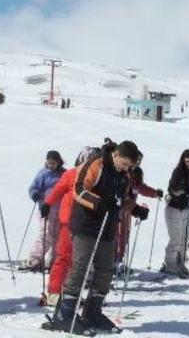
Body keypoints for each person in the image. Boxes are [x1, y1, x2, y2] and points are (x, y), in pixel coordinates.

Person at [49, 139, 145, 334]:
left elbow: (121, 199)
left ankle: (92, 312)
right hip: (86, 224)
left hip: (108, 227)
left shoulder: (124, 175)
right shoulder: (96, 163)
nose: (126, 168)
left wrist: (134, 209)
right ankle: (64, 313)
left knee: (105, 270)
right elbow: (78, 189)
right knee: (80, 268)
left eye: (129, 166)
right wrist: (98, 202)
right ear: (116, 155)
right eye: (124, 163)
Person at [42, 147, 99, 307]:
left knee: (78, 261)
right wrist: (47, 203)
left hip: (85, 223)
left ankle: (70, 294)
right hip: (69, 222)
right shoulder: (71, 174)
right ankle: (54, 292)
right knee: (64, 257)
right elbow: (58, 190)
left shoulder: (96, 178)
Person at [20, 151, 66, 272]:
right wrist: (35, 195)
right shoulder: (43, 173)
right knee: (46, 233)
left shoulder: (63, 174)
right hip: (46, 208)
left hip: (61, 208)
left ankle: (54, 260)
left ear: (58, 162)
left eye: (53, 163)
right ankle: (35, 258)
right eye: (49, 163)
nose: (51, 166)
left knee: (58, 235)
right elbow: (34, 187)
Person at [115, 164, 159, 275]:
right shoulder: (122, 179)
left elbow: (144, 189)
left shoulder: (137, 181)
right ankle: (113, 260)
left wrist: (155, 193)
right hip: (119, 210)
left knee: (124, 235)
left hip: (129, 211)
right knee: (117, 235)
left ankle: (119, 260)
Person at [162, 149, 189, 278]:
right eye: (186, 158)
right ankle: (169, 263)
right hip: (174, 208)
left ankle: (180, 262)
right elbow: (171, 189)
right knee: (176, 238)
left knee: (184, 238)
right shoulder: (178, 171)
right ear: (183, 159)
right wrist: (182, 193)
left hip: (185, 209)